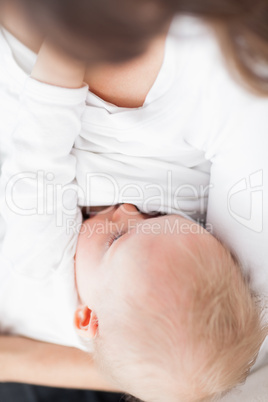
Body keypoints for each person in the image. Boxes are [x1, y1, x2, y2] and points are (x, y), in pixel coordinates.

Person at [0, 0, 267, 400]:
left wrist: (67, 50)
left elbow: (41, 145)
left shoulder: (41, 260)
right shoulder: (154, 280)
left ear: (87, 319)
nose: (128, 209)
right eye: (156, 214)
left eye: (116, 238)